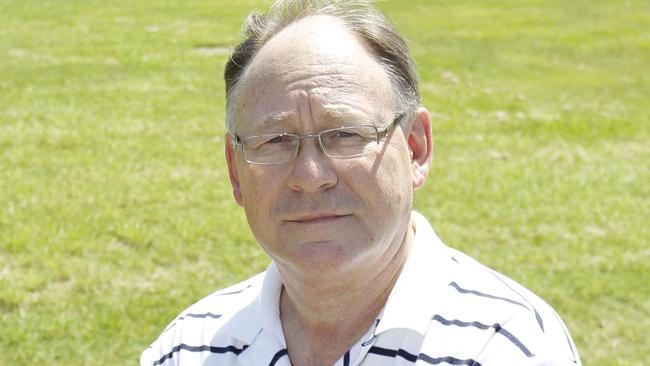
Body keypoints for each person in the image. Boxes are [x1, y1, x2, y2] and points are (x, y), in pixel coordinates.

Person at [140, 1, 582, 365]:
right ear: (236, 171)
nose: (310, 177)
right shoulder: (187, 348)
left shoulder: (505, 348)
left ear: (415, 149)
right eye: (276, 140)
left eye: (345, 135)